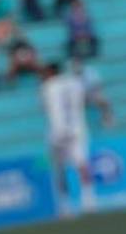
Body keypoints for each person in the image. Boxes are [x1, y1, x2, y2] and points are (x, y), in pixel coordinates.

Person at [40, 62, 96, 215]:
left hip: (58, 131)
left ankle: (65, 204)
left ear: (50, 72)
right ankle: (89, 200)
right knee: (82, 165)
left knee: (59, 168)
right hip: (77, 129)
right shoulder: (75, 83)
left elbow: (45, 108)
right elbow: (86, 99)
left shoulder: (47, 86)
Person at [68, 57, 114, 128]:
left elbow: (98, 86)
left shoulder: (90, 71)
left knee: (103, 100)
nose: (76, 67)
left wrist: (91, 95)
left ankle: (108, 120)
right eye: (74, 66)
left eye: (77, 64)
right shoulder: (71, 76)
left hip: (91, 94)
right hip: (81, 97)